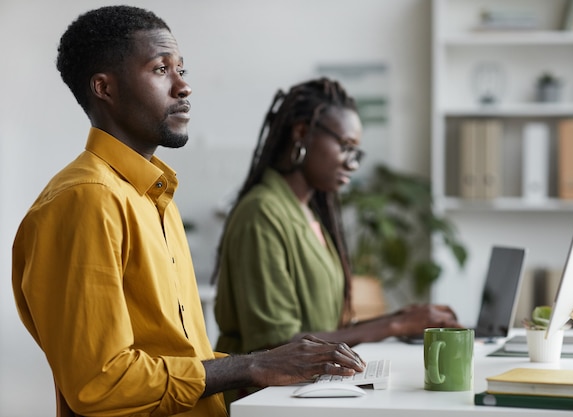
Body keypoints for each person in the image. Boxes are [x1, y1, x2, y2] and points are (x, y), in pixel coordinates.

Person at [11, 6, 364, 417]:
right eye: (161, 69)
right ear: (104, 88)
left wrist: (268, 366)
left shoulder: (154, 197)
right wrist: (250, 365)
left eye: (183, 69)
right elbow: (101, 381)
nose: (184, 87)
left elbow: (181, 354)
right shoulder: (85, 200)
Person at [213, 78, 462, 358]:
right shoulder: (262, 214)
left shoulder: (306, 213)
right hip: (258, 397)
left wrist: (401, 321)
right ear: (302, 132)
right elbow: (276, 345)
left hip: (305, 389)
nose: (352, 163)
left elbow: (324, 329)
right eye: (345, 146)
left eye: (356, 152)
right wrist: (394, 324)